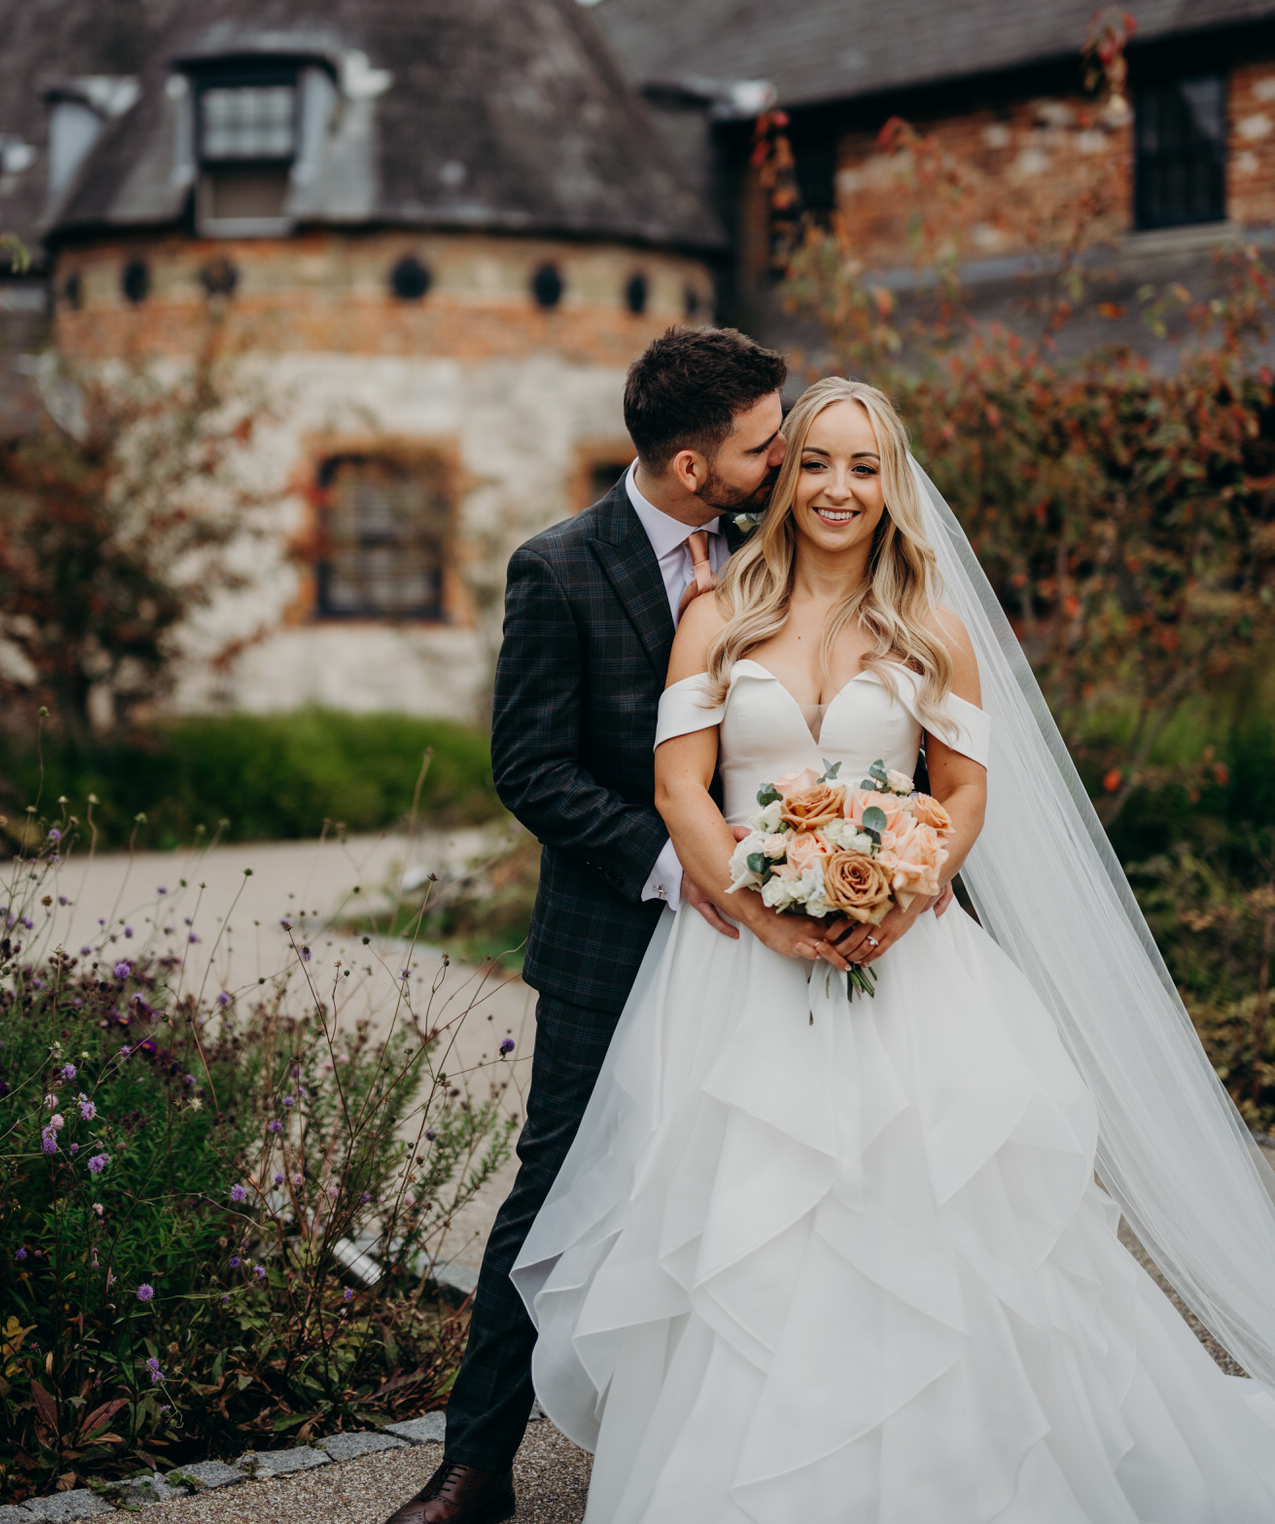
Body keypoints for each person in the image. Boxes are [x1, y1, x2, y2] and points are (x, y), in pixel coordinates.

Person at [513, 377, 1275, 1522]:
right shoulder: (718, 613)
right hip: (737, 971)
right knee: (748, 1233)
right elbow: (680, 785)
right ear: (784, 475)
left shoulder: (933, 629)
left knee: (933, 1214)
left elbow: (962, 794)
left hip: (907, 962)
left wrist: (909, 892)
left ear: (892, 482)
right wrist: (764, 909)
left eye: (862, 466)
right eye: (813, 460)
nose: (835, 486)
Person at [386, 326, 792, 1524]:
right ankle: (474, 1464)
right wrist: (680, 868)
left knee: (767, 1170)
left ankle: (734, 1435)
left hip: (780, 931)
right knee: (554, 1187)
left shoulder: (783, 542)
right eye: (764, 445)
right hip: (624, 929)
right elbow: (532, 768)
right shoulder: (557, 568)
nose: (784, 459)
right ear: (686, 463)